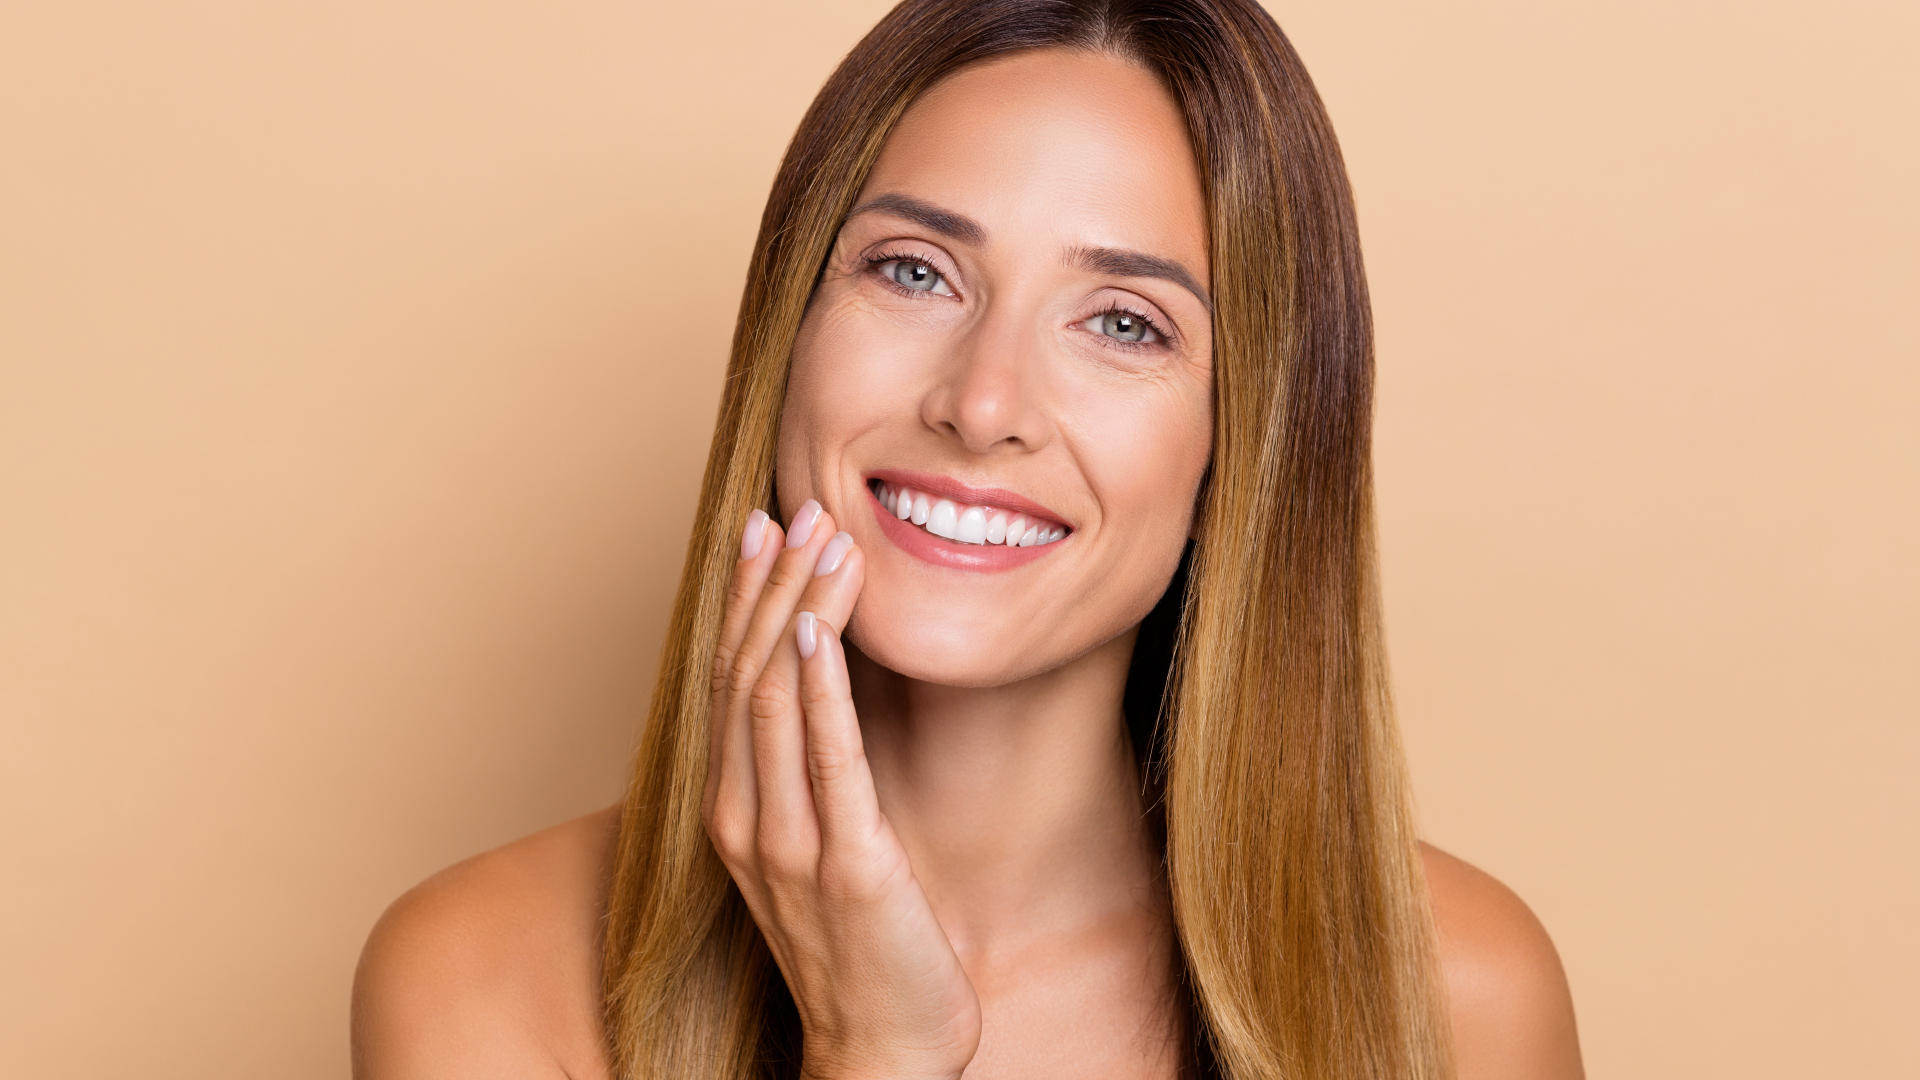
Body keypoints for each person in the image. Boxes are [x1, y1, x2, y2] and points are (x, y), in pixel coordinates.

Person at [351, 2, 1584, 1077]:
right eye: (915, 271)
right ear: (789, 334)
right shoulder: (485, 973)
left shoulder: (1460, 1001)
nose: (981, 404)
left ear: (1241, 448)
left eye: (1124, 323)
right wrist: (874, 1053)